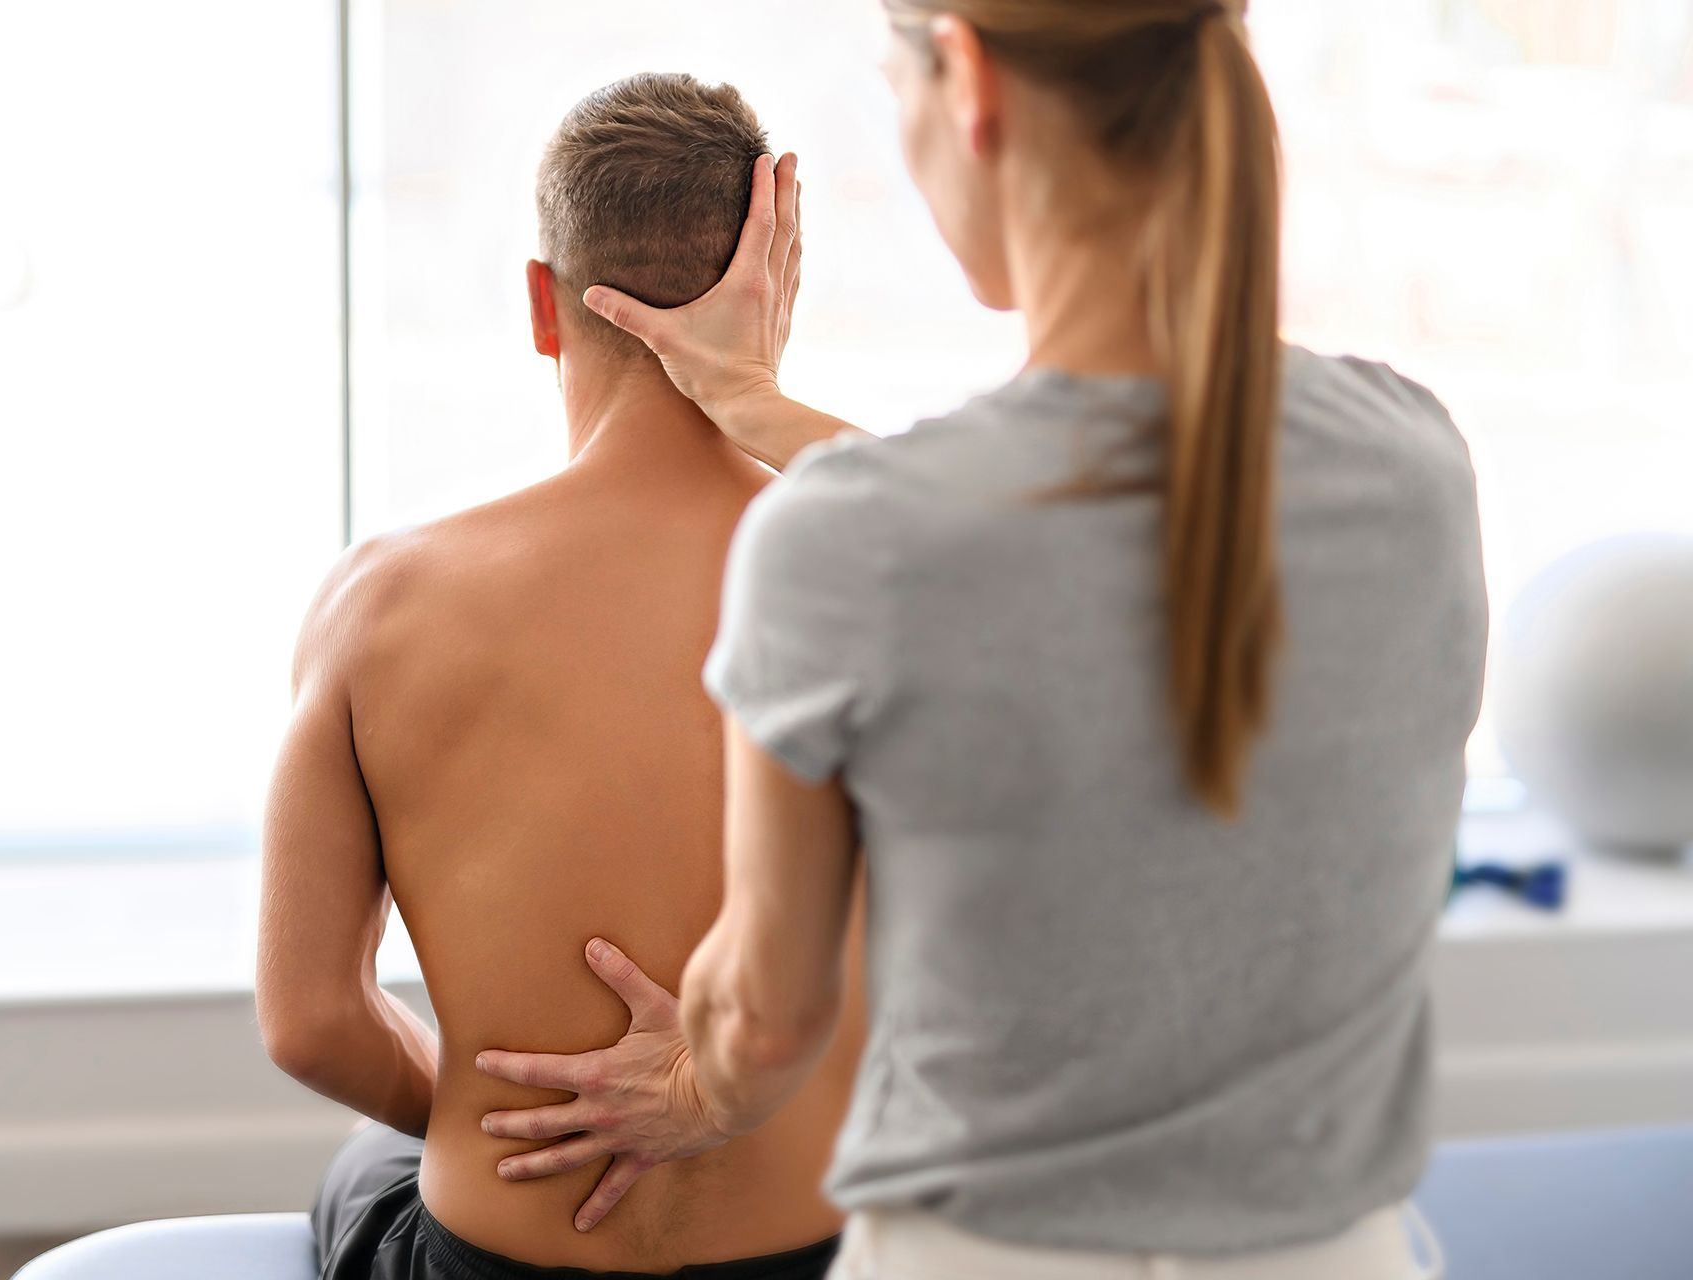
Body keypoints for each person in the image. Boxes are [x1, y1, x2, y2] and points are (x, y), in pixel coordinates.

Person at [476, 4, 1487, 1278]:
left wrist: (690, 1084)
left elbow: (768, 1027)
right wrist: (753, 404)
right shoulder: (1414, 460)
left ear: (966, 80)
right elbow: (1079, 530)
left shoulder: (852, 548)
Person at [255, 74, 865, 1280]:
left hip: (502, 1258)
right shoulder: (897, 568)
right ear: (776, 296)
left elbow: (311, 1022)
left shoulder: (378, 603)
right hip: (816, 1256)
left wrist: (526, 1125)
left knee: (365, 1169)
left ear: (544, 303)